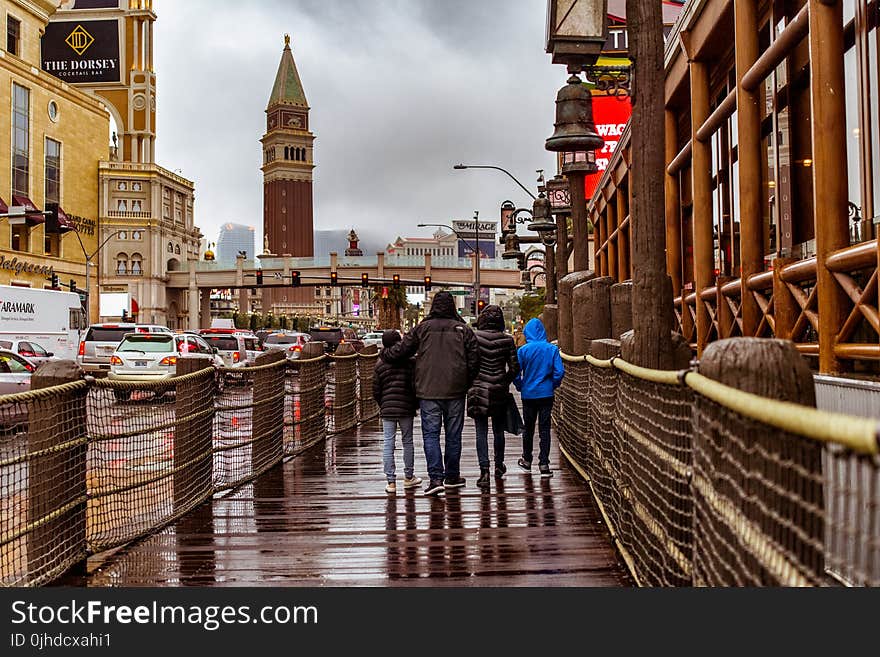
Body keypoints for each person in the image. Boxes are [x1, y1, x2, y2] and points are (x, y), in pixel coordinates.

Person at [384, 291, 480, 496]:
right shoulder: (463, 329)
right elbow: (474, 359)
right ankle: (452, 476)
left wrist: (384, 353)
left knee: (431, 434)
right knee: (454, 435)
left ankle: (435, 478)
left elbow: (402, 350)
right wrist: (465, 381)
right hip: (455, 390)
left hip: (428, 390)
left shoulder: (422, 329)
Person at [466, 305, 519, 489]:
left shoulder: (474, 337)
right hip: (498, 389)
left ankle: (484, 471)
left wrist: (472, 381)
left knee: (481, 431)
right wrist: (503, 381)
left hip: (478, 389)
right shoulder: (507, 340)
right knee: (498, 430)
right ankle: (499, 465)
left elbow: (468, 363)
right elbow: (514, 368)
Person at [513, 317, 564, 478]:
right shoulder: (552, 349)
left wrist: (520, 385)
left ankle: (527, 460)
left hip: (528, 394)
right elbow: (559, 372)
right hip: (546, 394)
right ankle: (544, 463)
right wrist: (553, 384)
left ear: (527, 333)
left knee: (528, 428)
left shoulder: (523, 351)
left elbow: (515, 372)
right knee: (544, 429)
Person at [373, 330, 422, 494]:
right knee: (407, 441)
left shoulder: (379, 364)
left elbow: (376, 390)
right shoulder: (409, 362)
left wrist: (383, 404)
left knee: (388, 443)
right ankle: (408, 477)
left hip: (387, 408)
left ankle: (391, 482)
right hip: (406, 407)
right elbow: (415, 385)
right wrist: (415, 403)